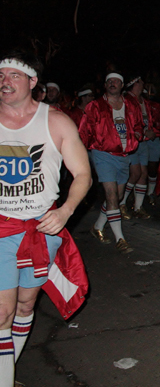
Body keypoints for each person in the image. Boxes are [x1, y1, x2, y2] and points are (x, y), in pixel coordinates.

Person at [0, 51, 91, 385]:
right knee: (2, 313)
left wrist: (65, 212)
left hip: (42, 229)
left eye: (14, 76)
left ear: (32, 82)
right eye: (0, 76)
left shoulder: (55, 121)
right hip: (1, 228)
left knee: (25, 306)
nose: (5, 82)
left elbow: (82, 174)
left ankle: (6, 367)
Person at [79, 72, 143, 254]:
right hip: (102, 153)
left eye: (116, 81)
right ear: (105, 85)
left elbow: (138, 124)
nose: (112, 84)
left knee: (118, 195)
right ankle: (120, 239)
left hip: (123, 155)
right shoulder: (95, 106)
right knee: (111, 194)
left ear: (122, 85)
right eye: (109, 81)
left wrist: (137, 134)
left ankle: (97, 226)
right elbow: (84, 131)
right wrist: (82, 155)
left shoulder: (131, 104)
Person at [122, 76, 160, 219]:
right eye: (140, 81)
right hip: (133, 141)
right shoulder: (126, 100)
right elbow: (127, 122)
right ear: (134, 84)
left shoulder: (144, 102)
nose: (143, 84)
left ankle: (137, 207)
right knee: (135, 173)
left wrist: (151, 132)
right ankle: (121, 202)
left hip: (143, 143)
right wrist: (144, 132)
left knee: (143, 174)